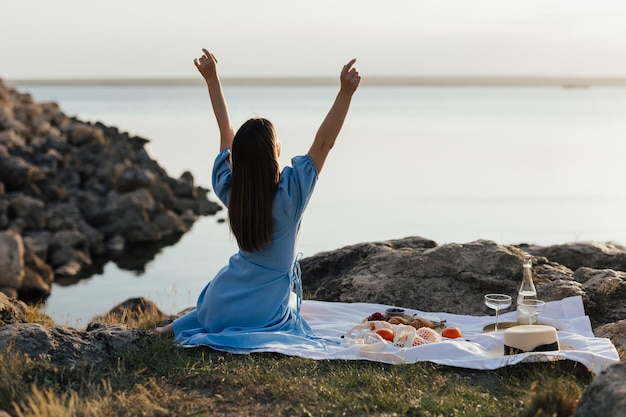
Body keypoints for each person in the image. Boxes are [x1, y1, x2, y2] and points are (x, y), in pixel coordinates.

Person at [155, 49, 360, 352]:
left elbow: (225, 131)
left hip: (219, 301)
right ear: (275, 155)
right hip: (262, 314)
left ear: (239, 160)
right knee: (281, 311)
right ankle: (170, 330)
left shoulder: (232, 189)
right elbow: (324, 143)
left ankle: (166, 331)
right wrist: (345, 93)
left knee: (207, 314)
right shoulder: (291, 196)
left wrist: (212, 79)